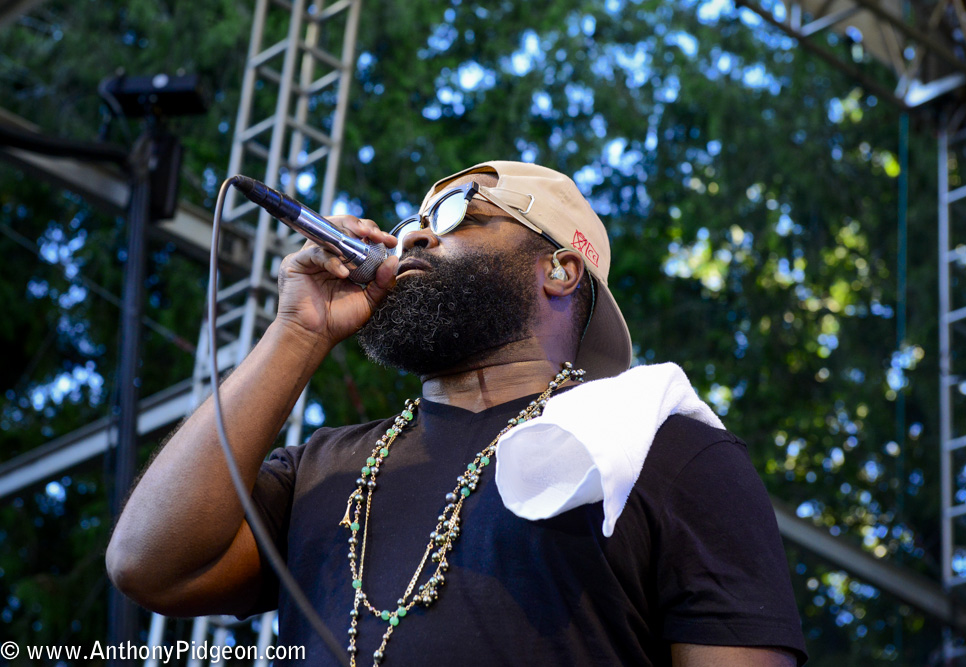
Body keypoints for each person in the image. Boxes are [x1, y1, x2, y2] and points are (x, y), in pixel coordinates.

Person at [107, 161, 808, 666]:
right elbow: (148, 563)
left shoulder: (662, 452)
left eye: (453, 213)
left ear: (559, 269)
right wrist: (300, 333)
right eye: (411, 219)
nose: (411, 236)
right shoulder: (325, 466)